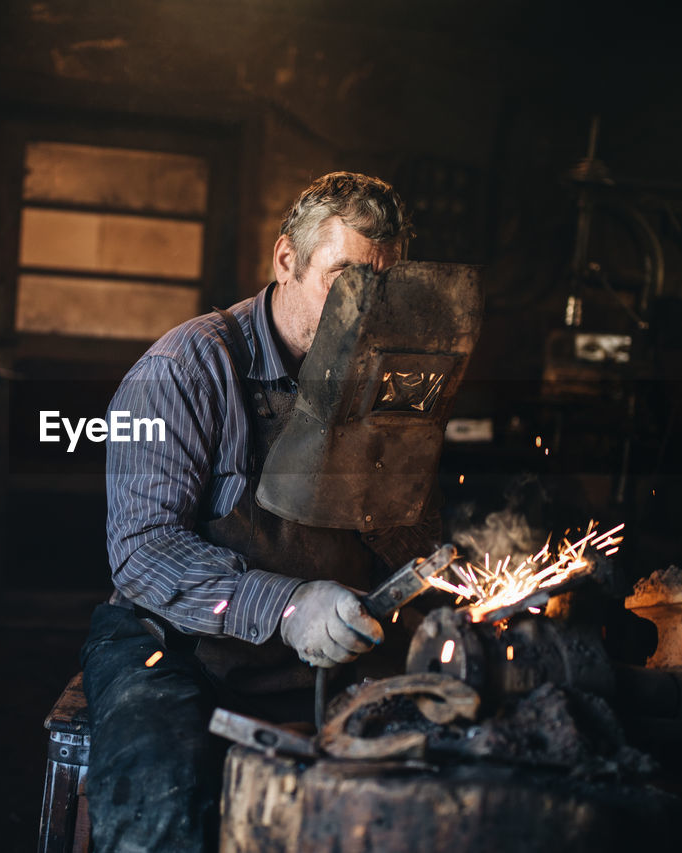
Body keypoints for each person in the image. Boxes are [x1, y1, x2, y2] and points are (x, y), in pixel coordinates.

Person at [80, 172, 432, 852]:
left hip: (332, 650)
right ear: (286, 262)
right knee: (163, 803)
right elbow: (142, 548)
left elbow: (412, 532)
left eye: (381, 286)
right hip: (176, 645)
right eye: (343, 277)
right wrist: (288, 606)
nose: (362, 308)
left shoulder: (385, 381)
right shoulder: (180, 370)